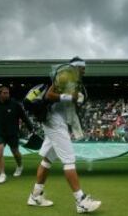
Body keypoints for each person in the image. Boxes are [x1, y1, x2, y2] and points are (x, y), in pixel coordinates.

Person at [27, 57, 101, 214]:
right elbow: (48, 95)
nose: (84, 70)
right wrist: (71, 97)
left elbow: (67, 103)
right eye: (82, 68)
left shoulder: (72, 80)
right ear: (76, 67)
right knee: (69, 161)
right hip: (55, 123)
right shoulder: (65, 75)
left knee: (47, 159)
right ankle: (81, 201)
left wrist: (76, 99)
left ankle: (35, 196)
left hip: (55, 122)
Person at [0, 86, 34, 184]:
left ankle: (19, 166)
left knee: (15, 152)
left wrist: (31, 128)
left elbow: (24, 117)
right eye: (4, 93)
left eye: (8, 93)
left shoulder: (15, 104)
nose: (7, 94)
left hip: (12, 133)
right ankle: (2, 174)